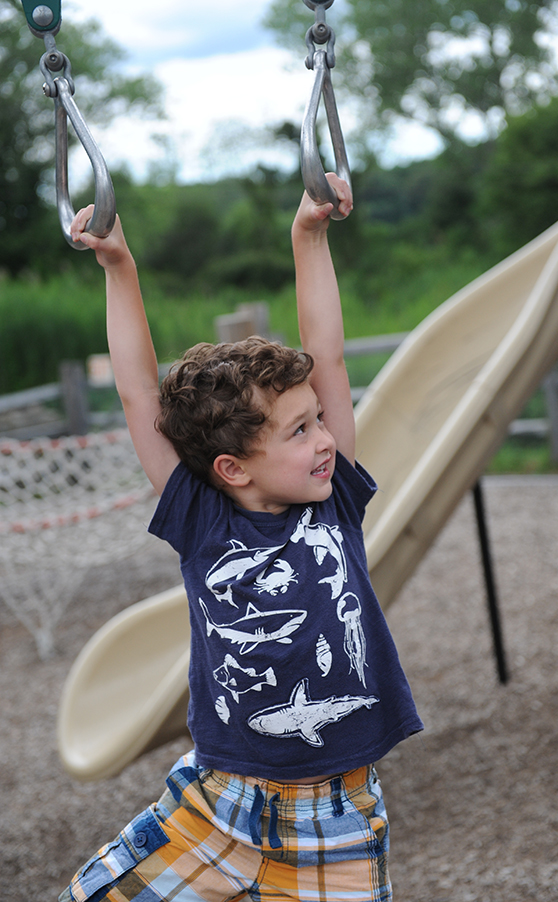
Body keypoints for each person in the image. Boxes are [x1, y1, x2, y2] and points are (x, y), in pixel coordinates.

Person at [60, 175, 423, 902]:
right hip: (216, 804)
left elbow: (328, 355)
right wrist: (119, 266)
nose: (326, 439)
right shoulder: (201, 521)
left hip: (334, 822)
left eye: (319, 419)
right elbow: (137, 392)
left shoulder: (334, 504)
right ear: (232, 468)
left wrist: (308, 237)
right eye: (300, 431)